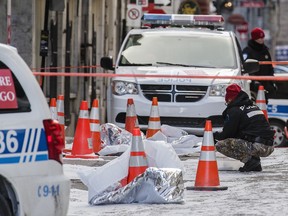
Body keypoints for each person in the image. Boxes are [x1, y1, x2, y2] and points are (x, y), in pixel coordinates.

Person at [214, 83, 275, 172]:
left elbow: (227, 134)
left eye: (227, 101)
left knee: (220, 145)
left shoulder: (235, 110)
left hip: (257, 146)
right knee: (245, 138)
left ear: (230, 99)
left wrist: (214, 136)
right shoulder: (253, 106)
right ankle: (254, 164)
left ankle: (251, 161)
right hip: (270, 146)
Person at [242, 27, 277, 100]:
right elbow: (245, 67)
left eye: (262, 38)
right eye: (259, 38)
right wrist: (254, 80)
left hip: (266, 84)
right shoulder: (248, 51)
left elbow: (269, 66)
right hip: (253, 85)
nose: (261, 40)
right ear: (254, 38)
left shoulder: (265, 50)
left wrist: (271, 81)